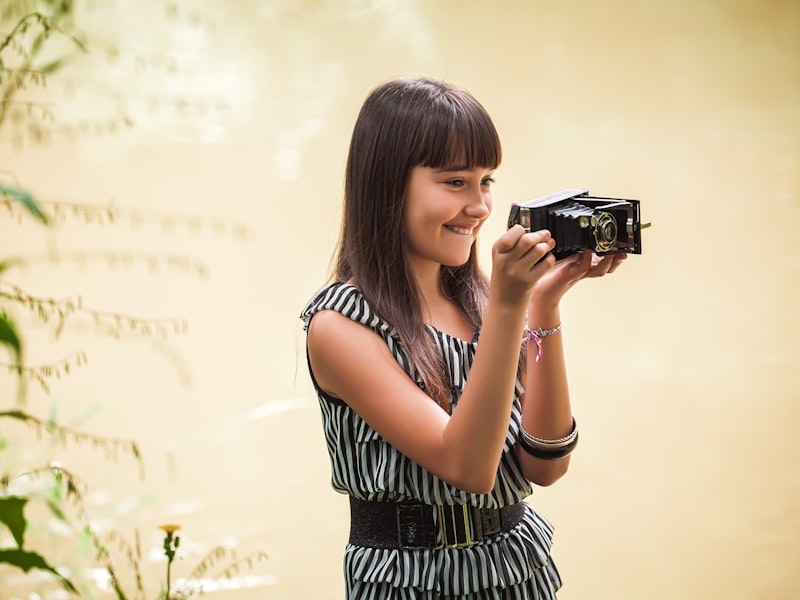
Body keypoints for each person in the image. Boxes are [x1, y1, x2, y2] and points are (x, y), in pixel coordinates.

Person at [300, 77, 626, 599]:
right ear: (388, 184)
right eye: (455, 182)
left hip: (518, 569)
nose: (480, 207)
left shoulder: (483, 301)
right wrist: (508, 307)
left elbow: (545, 466)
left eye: (486, 180)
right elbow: (467, 468)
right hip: (408, 581)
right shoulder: (340, 326)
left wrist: (542, 304)